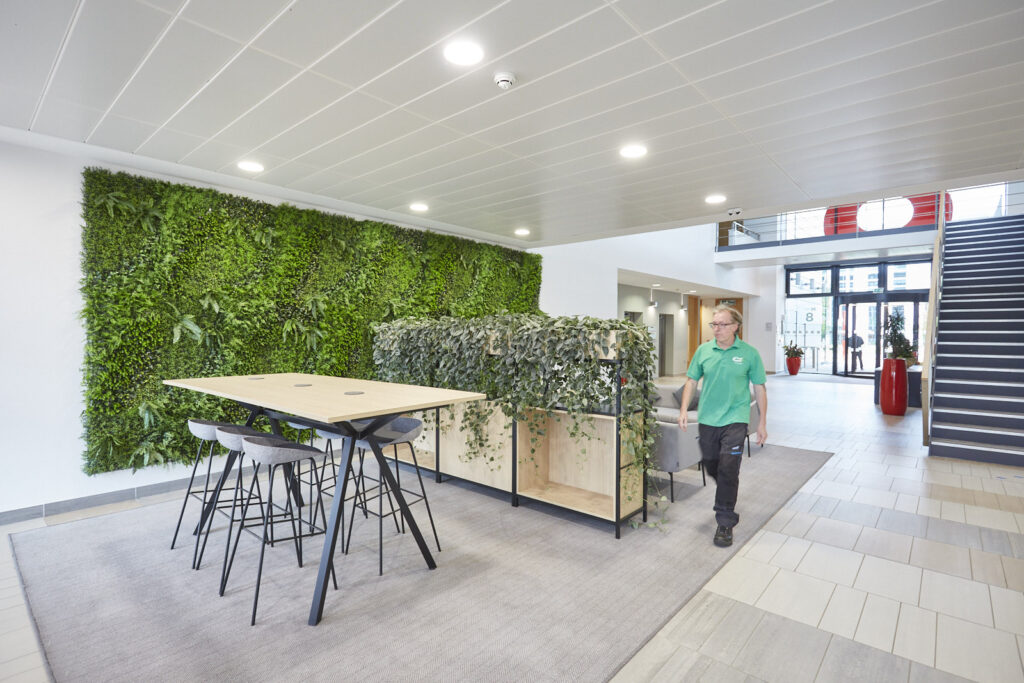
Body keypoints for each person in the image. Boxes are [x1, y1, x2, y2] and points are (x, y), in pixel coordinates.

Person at [678, 304, 767, 547]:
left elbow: (759, 388)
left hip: (736, 419)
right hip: (708, 419)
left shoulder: (749, 354)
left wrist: (762, 422)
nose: (717, 329)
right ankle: (727, 488)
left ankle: (725, 521)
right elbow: (691, 380)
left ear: (736, 326)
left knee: (728, 467)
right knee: (711, 464)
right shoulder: (704, 350)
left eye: (722, 324)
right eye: (714, 324)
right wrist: (684, 409)